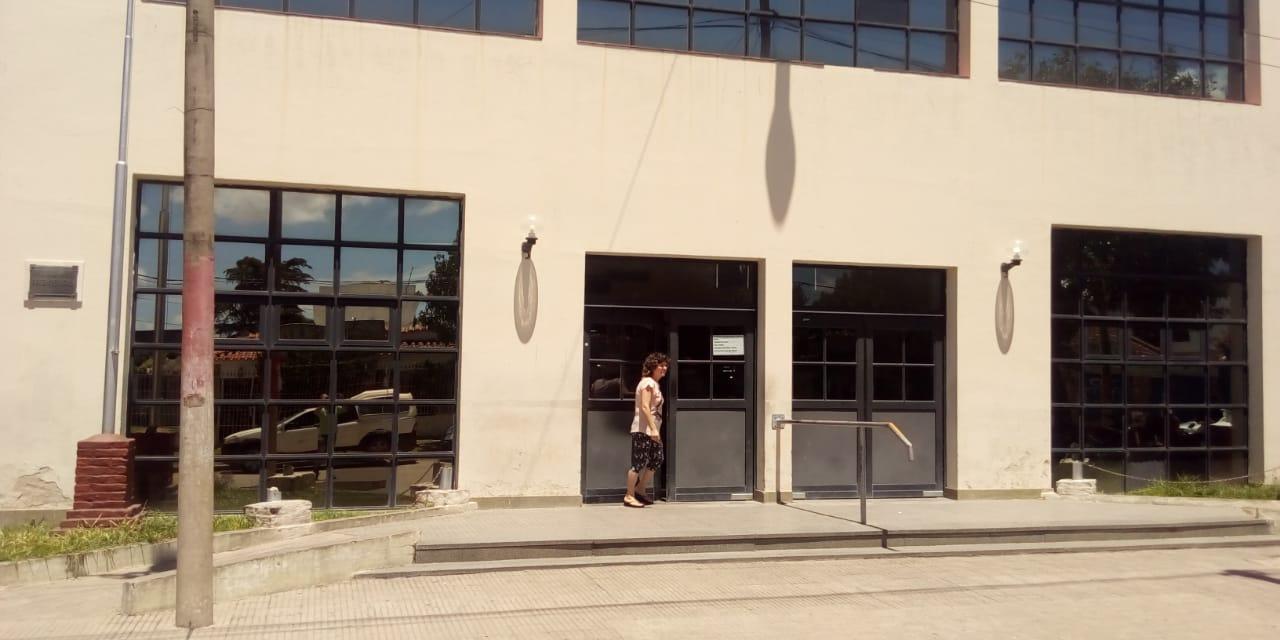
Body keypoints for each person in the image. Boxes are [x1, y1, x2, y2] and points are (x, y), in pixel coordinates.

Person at [624, 352, 669, 508]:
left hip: (652, 430)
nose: (664, 368)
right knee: (638, 463)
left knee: (657, 458)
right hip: (643, 429)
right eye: (661, 365)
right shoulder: (648, 383)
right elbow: (644, 406)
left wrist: (655, 429)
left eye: (665, 365)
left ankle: (640, 489)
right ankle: (629, 495)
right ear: (653, 367)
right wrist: (653, 428)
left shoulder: (654, 384)